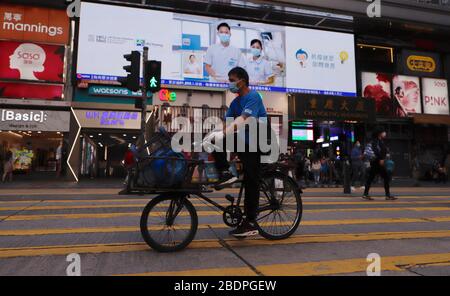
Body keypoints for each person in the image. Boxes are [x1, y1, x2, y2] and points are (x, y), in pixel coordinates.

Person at [208, 66, 267, 237]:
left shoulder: (253, 97)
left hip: (257, 142)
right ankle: (226, 172)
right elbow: (228, 125)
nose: (230, 83)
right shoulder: (235, 103)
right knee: (214, 139)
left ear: (242, 80)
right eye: (229, 80)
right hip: (243, 142)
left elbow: (244, 119)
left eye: (232, 80)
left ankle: (250, 222)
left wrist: (224, 133)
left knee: (251, 180)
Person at [363, 128, 396, 201]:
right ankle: (387, 195)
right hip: (377, 162)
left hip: (378, 162)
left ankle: (365, 194)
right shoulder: (375, 141)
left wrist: (385, 156)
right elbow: (376, 151)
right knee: (385, 177)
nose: (384, 133)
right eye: (383, 132)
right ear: (379, 134)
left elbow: (382, 150)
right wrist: (381, 159)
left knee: (371, 178)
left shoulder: (379, 141)